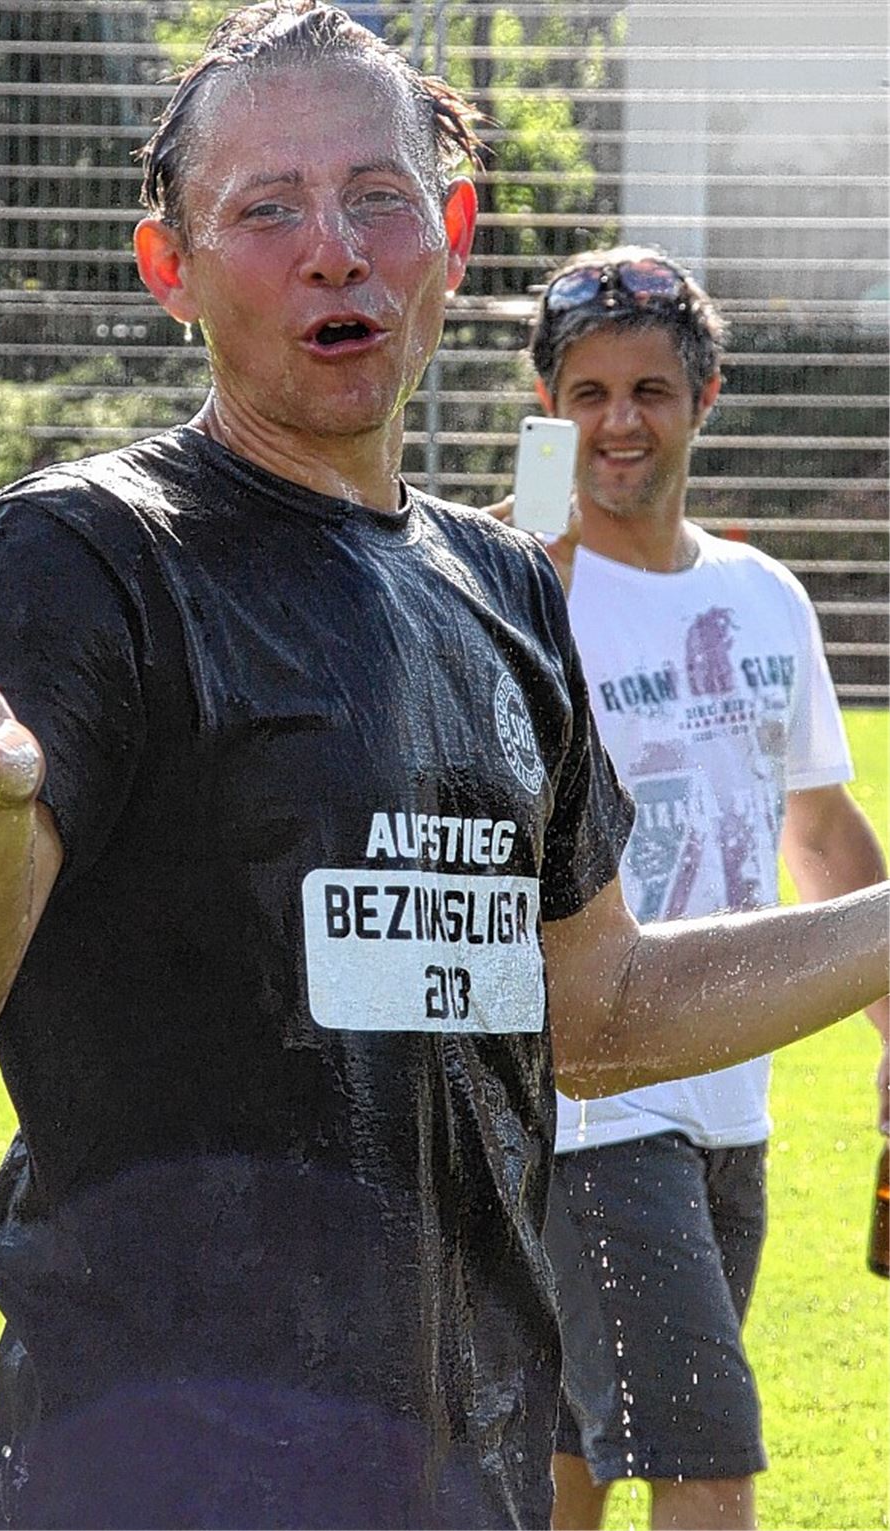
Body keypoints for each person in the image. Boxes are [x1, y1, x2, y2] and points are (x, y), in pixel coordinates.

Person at [0, 9, 888, 1528]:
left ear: (447, 231)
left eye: (377, 195)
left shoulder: (508, 592)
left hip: (467, 1478)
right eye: (266, 210)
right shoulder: (91, 557)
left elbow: (600, 1004)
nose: (334, 249)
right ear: (166, 267)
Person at [488, 246, 889, 1531]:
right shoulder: (523, 589)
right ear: (548, 412)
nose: (620, 420)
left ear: (706, 397)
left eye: (651, 389)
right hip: (595, 1105)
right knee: (706, 1456)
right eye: (586, 392)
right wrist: (533, 489)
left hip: (734, 1096)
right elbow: (503, 571)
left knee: (572, 1456)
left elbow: (820, 833)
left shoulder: (762, 596)